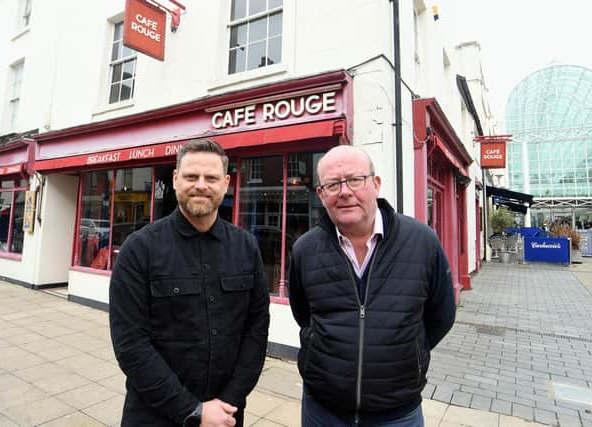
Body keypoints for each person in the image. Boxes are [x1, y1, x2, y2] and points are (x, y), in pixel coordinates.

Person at [288, 145, 456, 427]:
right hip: (322, 411)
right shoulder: (305, 249)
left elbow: (441, 316)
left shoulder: (422, 241)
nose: (344, 191)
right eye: (332, 184)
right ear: (321, 194)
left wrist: (411, 350)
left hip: (396, 413)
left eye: (355, 180)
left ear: (375, 184)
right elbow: (303, 314)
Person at [109, 139, 270, 427]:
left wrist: (229, 401)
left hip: (225, 416)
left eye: (211, 178)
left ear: (226, 183)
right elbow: (131, 345)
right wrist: (193, 410)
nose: (201, 185)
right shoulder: (139, 249)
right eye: (191, 176)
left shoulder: (246, 247)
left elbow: (256, 332)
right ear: (175, 180)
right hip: (154, 416)